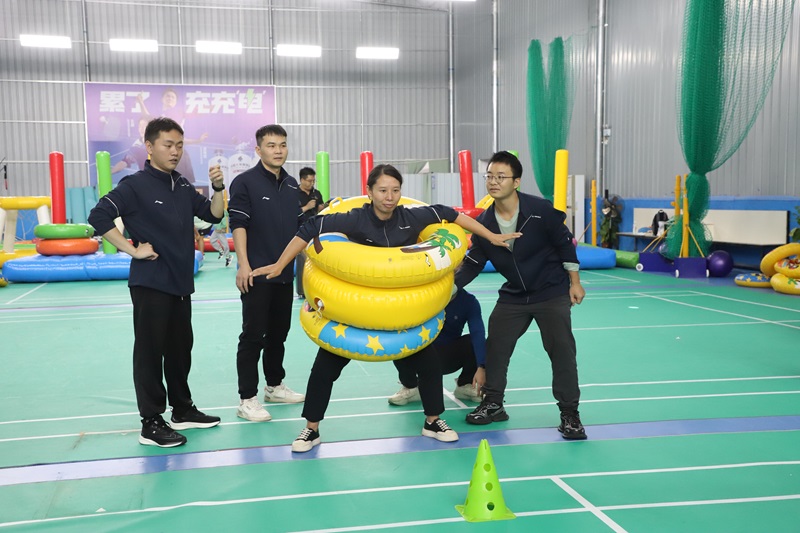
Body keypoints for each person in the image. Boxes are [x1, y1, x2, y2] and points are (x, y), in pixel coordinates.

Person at [249, 164, 520, 453]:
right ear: (369, 192)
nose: (389, 197)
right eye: (382, 190)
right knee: (324, 369)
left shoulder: (411, 217)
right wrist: (280, 265)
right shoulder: (356, 219)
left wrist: (491, 236)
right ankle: (311, 428)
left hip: (401, 314)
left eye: (395, 190)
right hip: (355, 313)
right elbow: (311, 228)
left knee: (428, 364)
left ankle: (433, 421)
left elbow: (450, 214)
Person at [88, 116, 226, 447]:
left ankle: (182, 409)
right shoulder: (134, 185)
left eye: (179, 145)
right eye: (168, 145)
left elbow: (214, 214)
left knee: (180, 350)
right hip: (151, 282)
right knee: (150, 354)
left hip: (180, 283)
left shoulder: (182, 185)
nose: (175, 151)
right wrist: (132, 249)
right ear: (149, 147)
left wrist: (219, 188)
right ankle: (150, 422)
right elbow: (98, 216)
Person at [454, 151, 587, 440]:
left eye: (500, 177)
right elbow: (473, 263)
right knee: (496, 346)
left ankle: (570, 413)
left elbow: (565, 244)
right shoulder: (485, 223)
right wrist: (449, 290)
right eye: (489, 176)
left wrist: (574, 282)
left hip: (551, 291)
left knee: (561, 350)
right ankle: (493, 404)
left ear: (516, 182)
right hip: (515, 294)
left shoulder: (540, 210)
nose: (493, 182)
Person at [229, 124, 306, 423]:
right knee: (253, 336)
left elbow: (300, 229)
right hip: (257, 274)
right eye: (271, 145)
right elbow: (238, 224)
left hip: (284, 274)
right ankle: (247, 399)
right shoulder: (244, 182)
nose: (278, 150)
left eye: (282, 145)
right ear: (258, 149)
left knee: (278, 334)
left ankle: (274, 386)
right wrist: (243, 265)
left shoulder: (291, 185)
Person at [388, 287, 485, 405]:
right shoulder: (422, 298)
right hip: (420, 354)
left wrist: (481, 366)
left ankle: (465, 385)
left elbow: (478, 333)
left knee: (472, 341)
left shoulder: (469, 301)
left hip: (447, 357)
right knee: (399, 339)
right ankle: (411, 387)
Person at [295, 167, 324, 298]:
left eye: (313, 181)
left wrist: (321, 208)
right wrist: (307, 207)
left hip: (315, 231)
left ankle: (317, 289)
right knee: (303, 259)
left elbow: (320, 211)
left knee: (318, 258)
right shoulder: (293, 193)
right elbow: (291, 214)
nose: (311, 183)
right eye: (309, 181)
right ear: (302, 180)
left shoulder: (316, 194)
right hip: (299, 231)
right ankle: (302, 290)